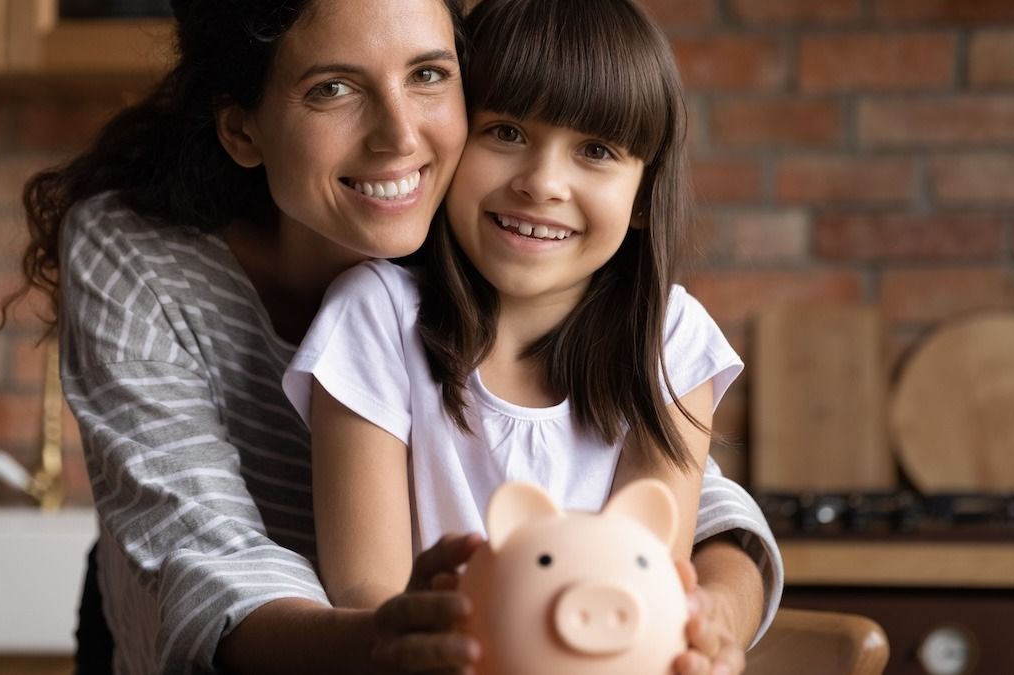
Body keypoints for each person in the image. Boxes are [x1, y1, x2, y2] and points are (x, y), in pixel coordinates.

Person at [5, 0, 779, 673]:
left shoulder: (498, 238)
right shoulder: (148, 258)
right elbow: (208, 552)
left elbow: (653, 488)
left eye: (430, 75)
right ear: (243, 125)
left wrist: (712, 610)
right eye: (333, 88)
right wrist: (400, 636)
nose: (400, 139)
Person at [282, 0, 782, 673]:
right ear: (455, 140)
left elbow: (645, 571)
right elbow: (370, 592)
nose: (542, 183)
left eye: (596, 151)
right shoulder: (373, 318)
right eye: (507, 132)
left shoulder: (672, 340)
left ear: (642, 198)